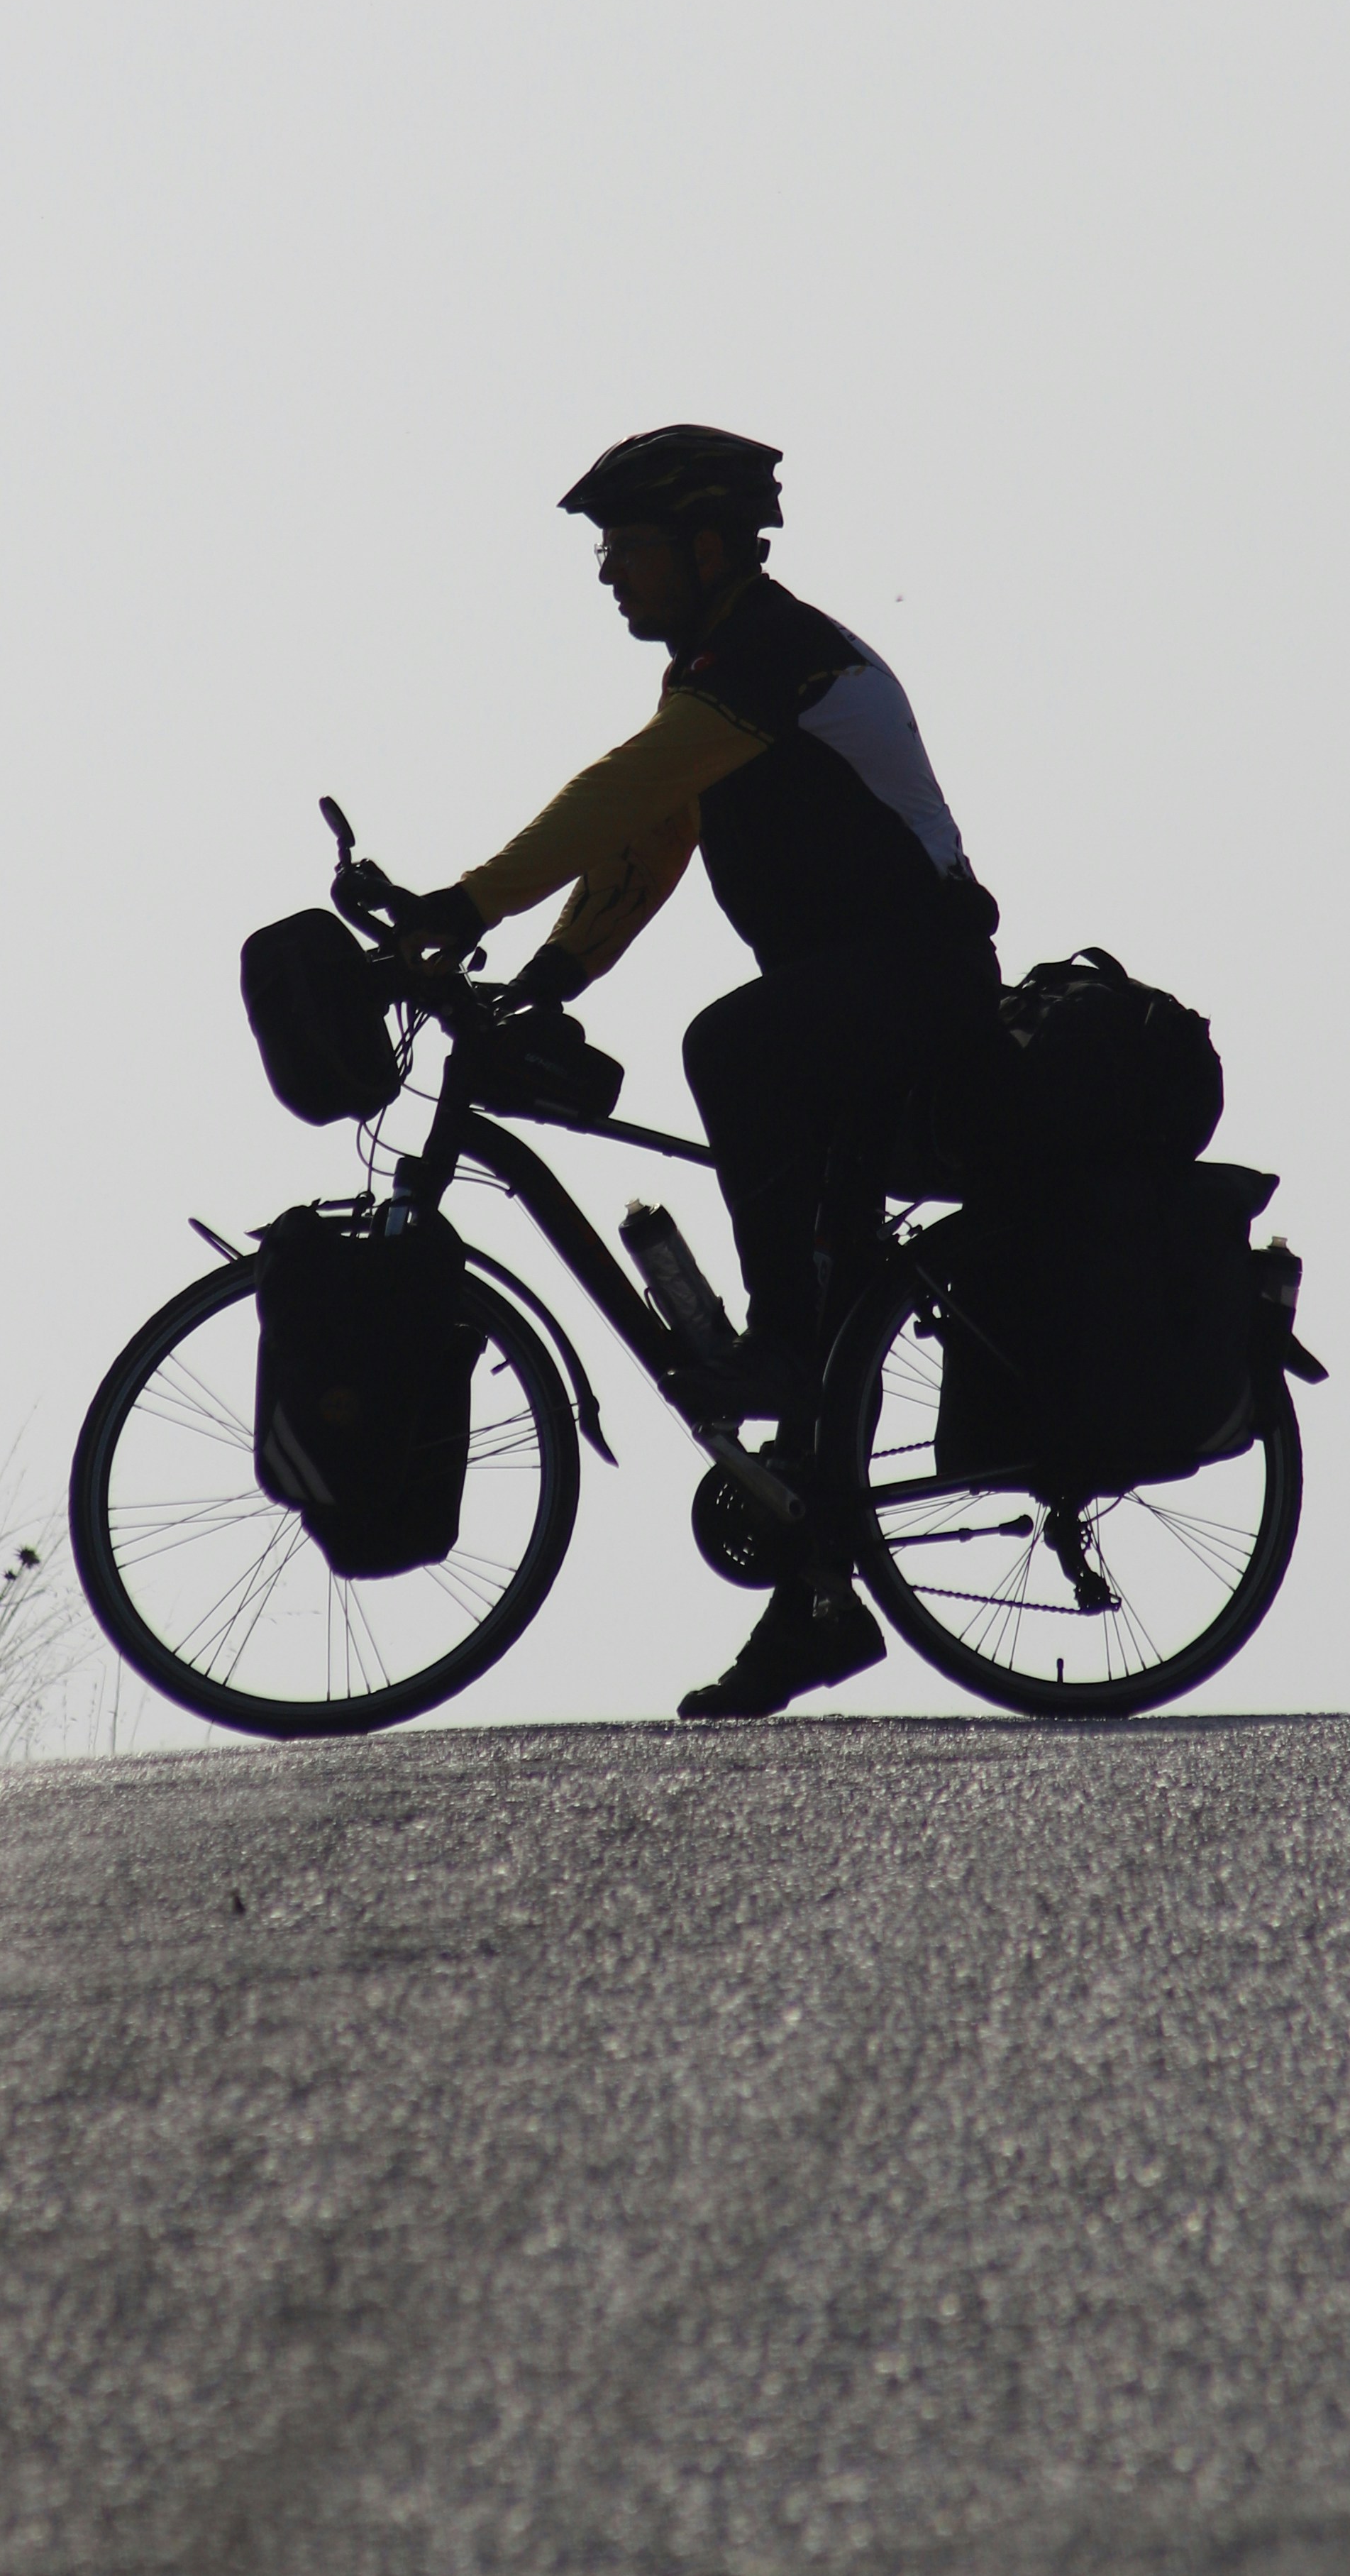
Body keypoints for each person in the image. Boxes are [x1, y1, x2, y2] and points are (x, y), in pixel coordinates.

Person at [397, 425, 1000, 1721]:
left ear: (707, 548)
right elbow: (651, 839)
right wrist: (546, 978)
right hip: (866, 986)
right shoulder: (720, 684)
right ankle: (818, 1606)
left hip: (918, 973)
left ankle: (775, 1348)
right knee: (838, 1279)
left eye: (627, 547)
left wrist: (467, 901)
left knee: (731, 1048)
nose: (609, 572)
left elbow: (630, 791)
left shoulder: (771, 654)